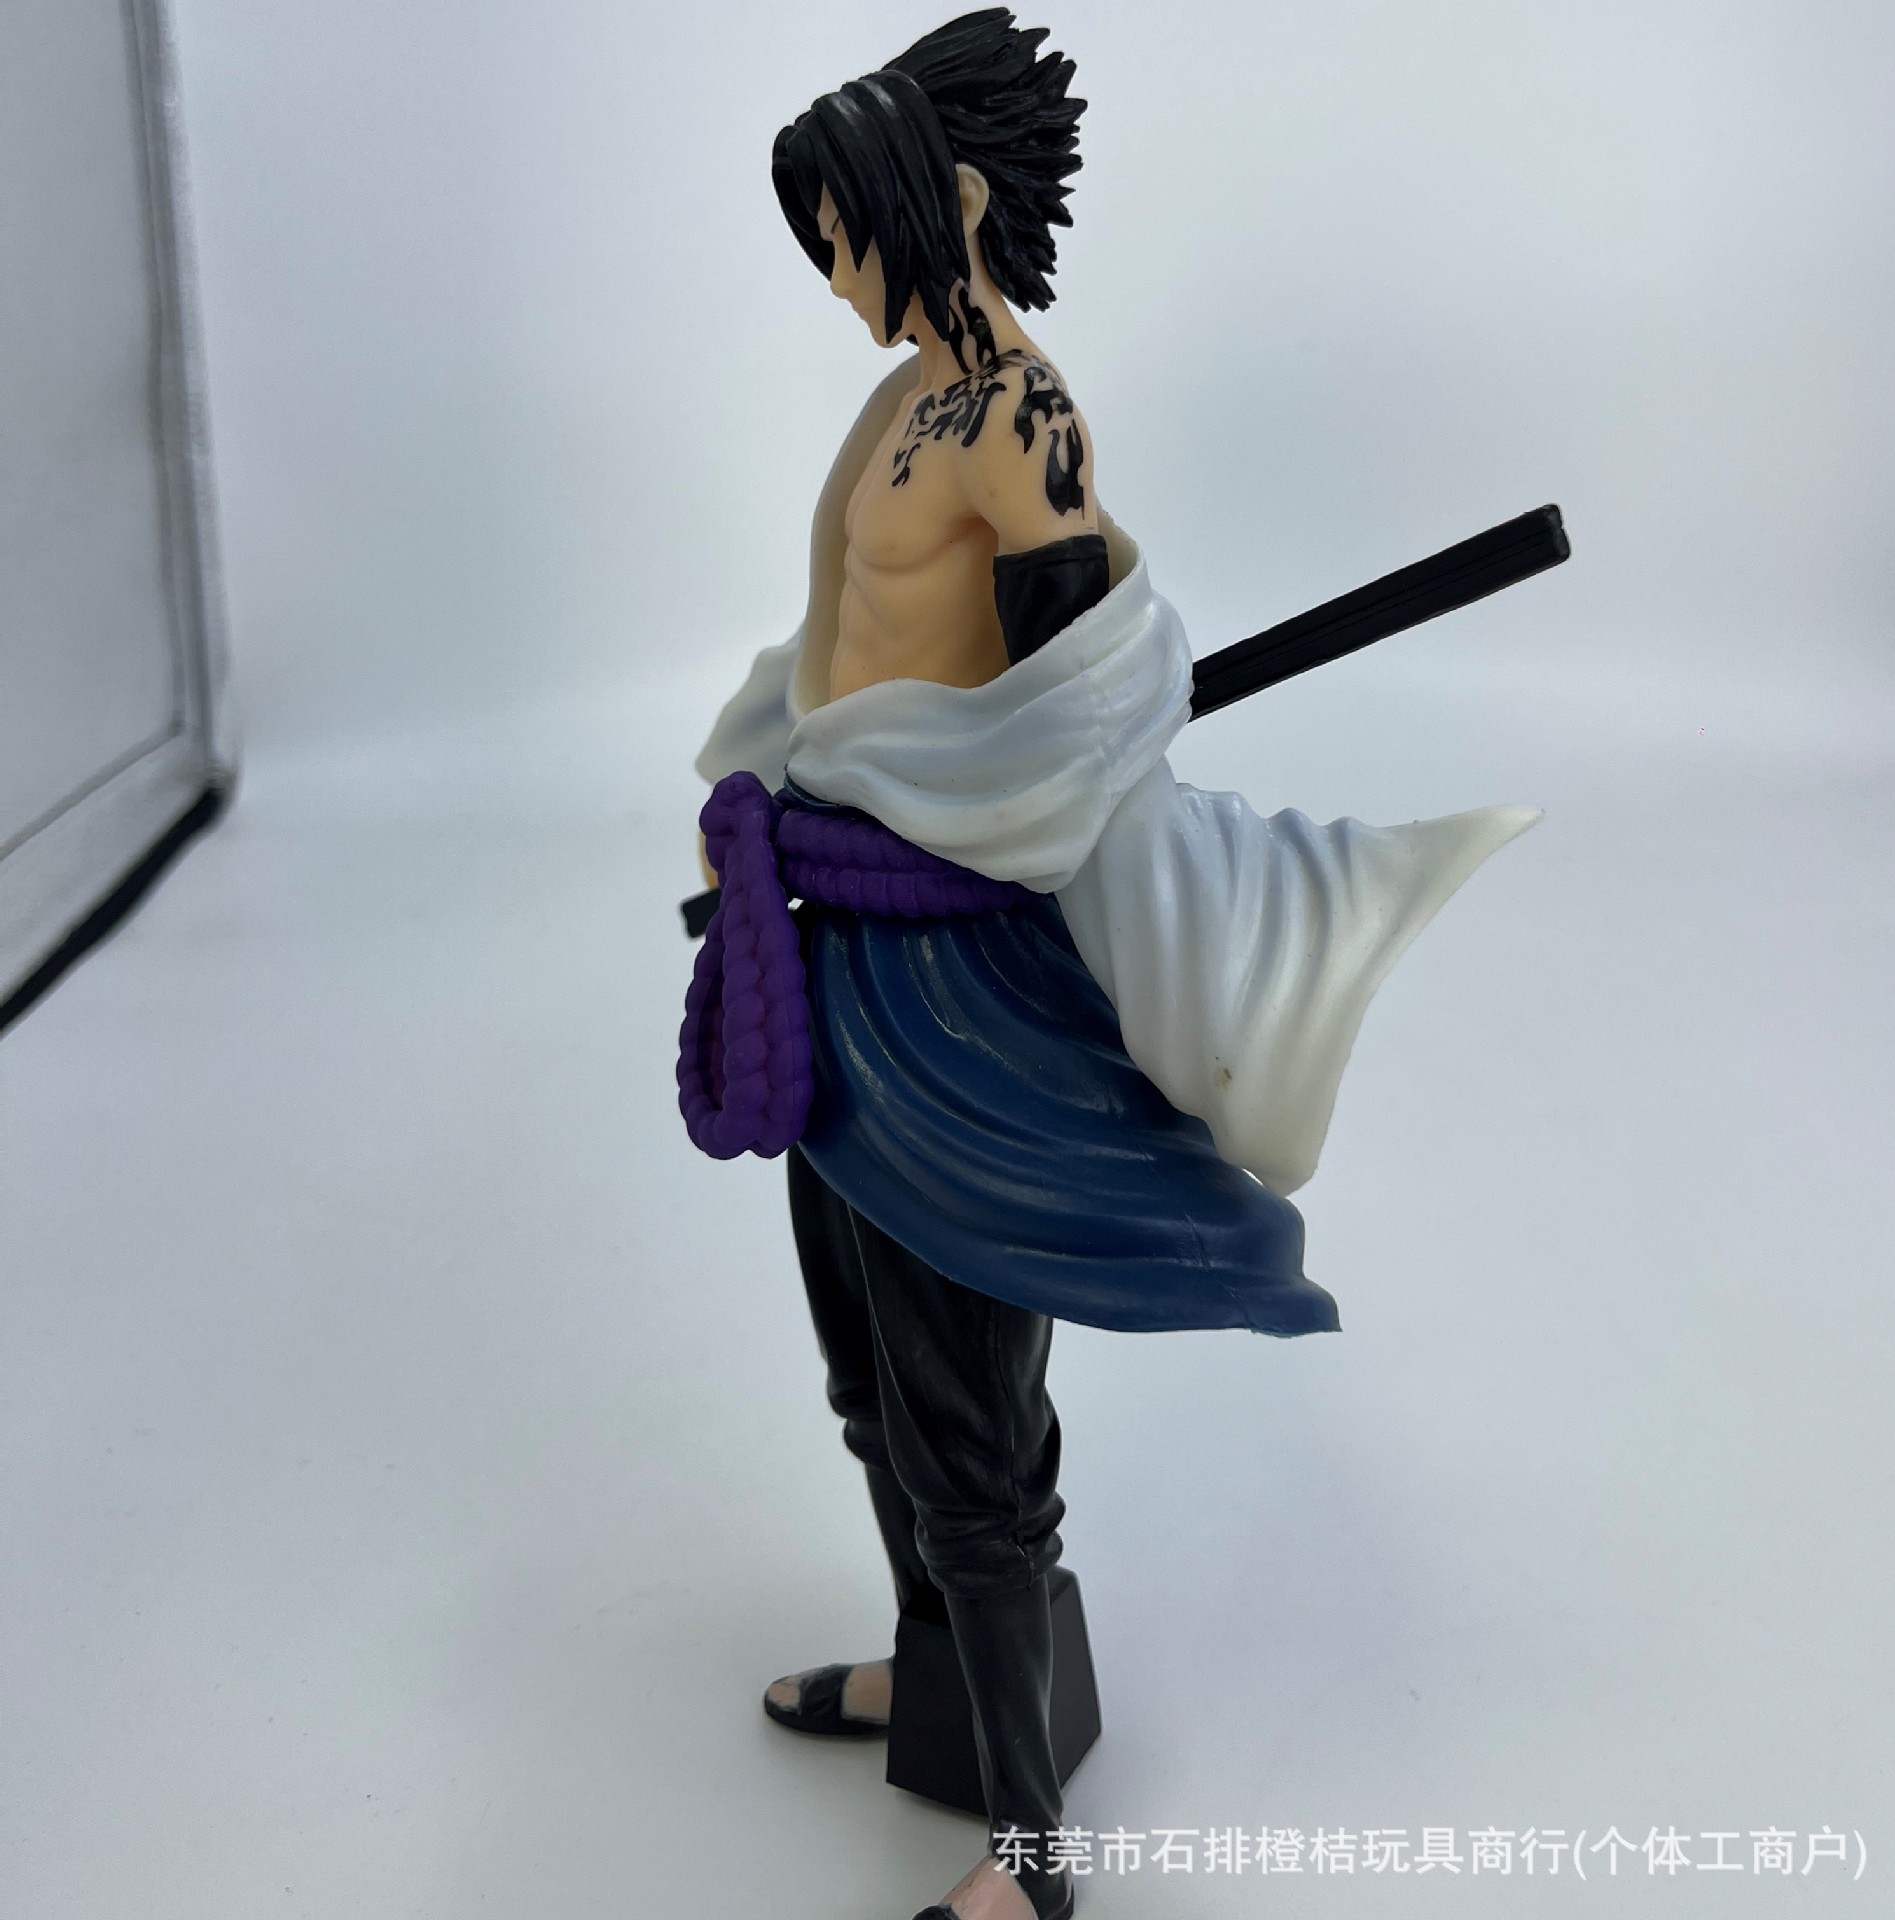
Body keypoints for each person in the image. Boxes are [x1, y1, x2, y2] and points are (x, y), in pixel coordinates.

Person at [683, 13, 1536, 1918]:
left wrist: (999, 803)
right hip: (834, 943)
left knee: (973, 1434)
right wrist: (782, 810)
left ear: (946, 199)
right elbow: (840, 657)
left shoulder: (1020, 422)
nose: (833, 275)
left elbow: (1076, 724)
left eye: (847, 234)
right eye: (815, 244)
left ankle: (1028, 1853)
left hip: (956, 982)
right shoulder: (899, 402)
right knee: (867, 1382)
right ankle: (936, 1684)